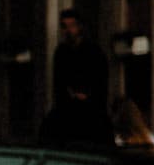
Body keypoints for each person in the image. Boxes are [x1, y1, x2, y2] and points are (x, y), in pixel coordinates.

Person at [40, 8, 109, 145]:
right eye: (64, 26)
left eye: (72, 26)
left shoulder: (93, 51)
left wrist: (87, 94)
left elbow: (100, 80)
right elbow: (59, 81)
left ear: (80, 26)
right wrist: (69, 94)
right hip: (67, 109)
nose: (68, 30)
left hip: (91, 110)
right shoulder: (61, 52)